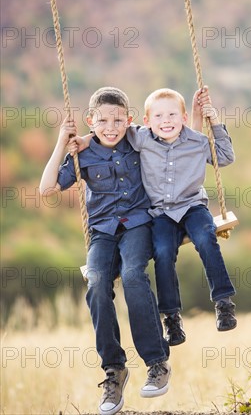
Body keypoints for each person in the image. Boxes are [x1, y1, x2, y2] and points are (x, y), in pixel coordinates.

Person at [40, 87, 171, 415]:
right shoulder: (80, 154)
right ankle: (114, 371)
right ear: (90, 121)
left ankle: (157, 363)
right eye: (102, 121)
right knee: (96, 282)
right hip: (103, 233)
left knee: (132, 275)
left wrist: (202, 115)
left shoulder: (138, 140)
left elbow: (173, 132)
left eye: (117, 120)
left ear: (128, 121)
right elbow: (46, 189)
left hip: (138, 225)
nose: (110, 127)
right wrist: (63, 141)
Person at [74, 86, 237, 348]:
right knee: (161, 251)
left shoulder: (196, 140)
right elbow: (110, 129)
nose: (166, 121)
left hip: (193, 206)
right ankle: (171, 318)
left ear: (183, 118)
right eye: (159, 117)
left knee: (206, 238)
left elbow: (226, 157)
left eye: (173, 115)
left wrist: (213, 120)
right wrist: (85, 140)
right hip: (161, 213)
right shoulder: (141, 138)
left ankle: (223, 302)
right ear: (147, 123)